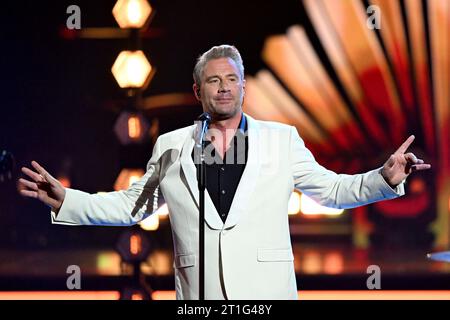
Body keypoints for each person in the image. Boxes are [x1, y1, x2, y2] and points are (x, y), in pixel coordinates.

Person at [18, 45, 431, 300]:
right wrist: (67, 199)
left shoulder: (281, 139)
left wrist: (385, 176)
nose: (224, 87)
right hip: (200, 294)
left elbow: (334, 191)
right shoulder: (171, 145)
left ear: (244, 86)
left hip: (266, 293)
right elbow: (133, 205)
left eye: (232, 79)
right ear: (199, 91)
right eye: (213, 80)